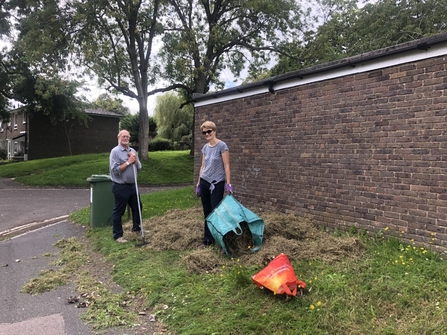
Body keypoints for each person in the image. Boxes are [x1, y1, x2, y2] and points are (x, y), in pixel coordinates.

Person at [195, 121, 232, 247]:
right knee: (207, 212)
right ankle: (207, 239)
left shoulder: (222, 146)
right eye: (204, 132)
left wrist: (228, 183)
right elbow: (202, 166)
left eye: (209, 131)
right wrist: (199, 183)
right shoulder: (205, 148)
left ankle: (221, 241)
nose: (207, 134)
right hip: (205, 181)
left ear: (214, 131)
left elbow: (226, 166)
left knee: (216, 211)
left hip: (217, 183)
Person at [109, 130, 142, 243]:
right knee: (119, 211)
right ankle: (118, 235)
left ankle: (136, 228)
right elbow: (115, 171)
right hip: (121, 186)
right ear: (118, 137)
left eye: (127, 137)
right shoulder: (115, 152)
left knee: (138, 207)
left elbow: (139, 167)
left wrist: (135, 159)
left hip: (133, 186)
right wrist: (128, 162)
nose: (125, 138)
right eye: (123, 136)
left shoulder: (132, 150)